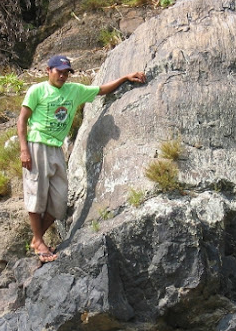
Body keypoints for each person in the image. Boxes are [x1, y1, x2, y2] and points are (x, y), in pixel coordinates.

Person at [17, 55, 146, 263]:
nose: (62, 75)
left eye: (66, 72)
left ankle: (36, 238)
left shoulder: (74, 90)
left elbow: (101, 90)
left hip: (57, 149)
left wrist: (125, 78)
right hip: (37, 145)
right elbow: (22, 120)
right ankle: (39, 242)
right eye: (58, 71)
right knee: (36, 195)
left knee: (59, 202)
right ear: (48, 71)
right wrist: (24, 149)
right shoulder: (37, 91)